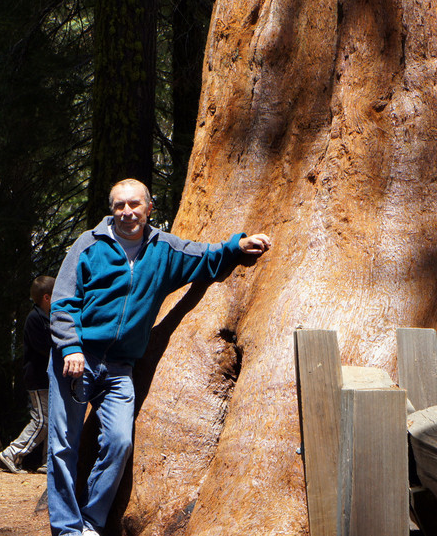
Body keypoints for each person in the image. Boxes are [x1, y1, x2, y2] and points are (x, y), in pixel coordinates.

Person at [47, 179, 271, 536]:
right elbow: (63, 301)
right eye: (119, 205)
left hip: (121, 367)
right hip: (78, 359)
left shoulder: (162, 249)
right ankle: (66, 529)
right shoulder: (88, 245)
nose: (127, 212)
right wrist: (70, 346)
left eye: (134, 204)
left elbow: (203, 256)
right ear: (112, 209)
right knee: (63, 446)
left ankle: (90, 522)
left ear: (148, 208)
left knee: (119, 442)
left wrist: (237, 246)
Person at [0, 275, 55, 474]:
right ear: (47, 297)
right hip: (37, 378)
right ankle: (12, 453)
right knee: (42, 420)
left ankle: (49, 462)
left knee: (52, 419)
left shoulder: (47, 317)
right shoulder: (35, 319)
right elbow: (44, 347)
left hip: (48, 379)